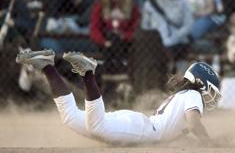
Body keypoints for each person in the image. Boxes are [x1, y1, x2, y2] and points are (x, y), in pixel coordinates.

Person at [15, 49, 221, 145]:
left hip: (138, 126)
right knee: (97, 127)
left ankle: (48, 67)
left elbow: (185, 131)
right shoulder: (194, 94)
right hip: (144, 131)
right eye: (211, 90)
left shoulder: (184, 94)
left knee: (69, 117)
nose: (211, 96)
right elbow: (194, 125)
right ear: (202, 84)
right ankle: (88, 73)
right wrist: (210, 144)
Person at [141, 0, 193, 74]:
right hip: (156, 45)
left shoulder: (183, 1)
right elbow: (145, 27)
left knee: (176, 51)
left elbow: (188, 26)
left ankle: (176, 77)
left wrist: (172, 39)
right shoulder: (149, 4)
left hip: (179, 42)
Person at [90, 0, 140, 75]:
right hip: (105, 42)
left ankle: (111, 72)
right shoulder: (100, 5)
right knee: (112, 39)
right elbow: (95, 29)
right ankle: (118, 70)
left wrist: (124, 36)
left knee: (116, 40)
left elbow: (135, 28)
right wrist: (104, 42)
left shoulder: (132, 7)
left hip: (125, 42)